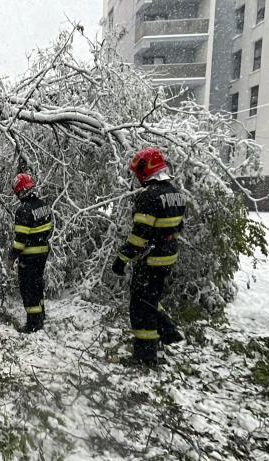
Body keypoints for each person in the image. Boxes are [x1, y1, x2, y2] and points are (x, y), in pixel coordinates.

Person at [111, 147, 186, 367]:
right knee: (150, 296)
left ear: (146, 171)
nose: (137, 178)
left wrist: (122, 259)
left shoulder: (148, 197)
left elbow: (139, 235)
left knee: (140, 306)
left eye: (138, 174)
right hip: (168, 254)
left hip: (152, 258)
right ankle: (169, 332)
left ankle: (146, 356)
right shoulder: (175, 193)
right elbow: (178, 226)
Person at [7, 173, 53, 333]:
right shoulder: (44, 205)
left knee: (28, 287)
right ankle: (40, 315)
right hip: (42, 253)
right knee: (37, 284)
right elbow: (50, 229)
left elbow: (20, 240)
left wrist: (11, 256)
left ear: (20, 191)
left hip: (29, 256)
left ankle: (33, 324)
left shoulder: (23, 210)